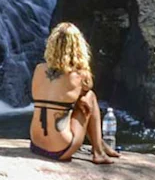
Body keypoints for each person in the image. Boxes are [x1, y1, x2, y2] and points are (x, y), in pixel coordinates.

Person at [28, 22, 121, 164]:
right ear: (78, 46)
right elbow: (86, 90)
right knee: (89, 97)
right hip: (60, 150)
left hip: (35, 145)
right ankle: (98, 151)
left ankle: (100, 145)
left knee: (74, 100)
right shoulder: (79, 75)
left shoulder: (39, 69)